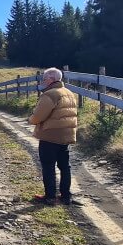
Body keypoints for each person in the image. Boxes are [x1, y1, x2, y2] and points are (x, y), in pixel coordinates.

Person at [28, 67, 79, 206]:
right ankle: (66, 195)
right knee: (65, 166)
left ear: (51, 79)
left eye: (44, 79)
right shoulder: (69, 93)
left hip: (50, 135)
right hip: (66, 135)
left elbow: (38, 116)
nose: (43, 81)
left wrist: (31, 120)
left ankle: (50, 196)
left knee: (48, 166)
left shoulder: (50, 95)